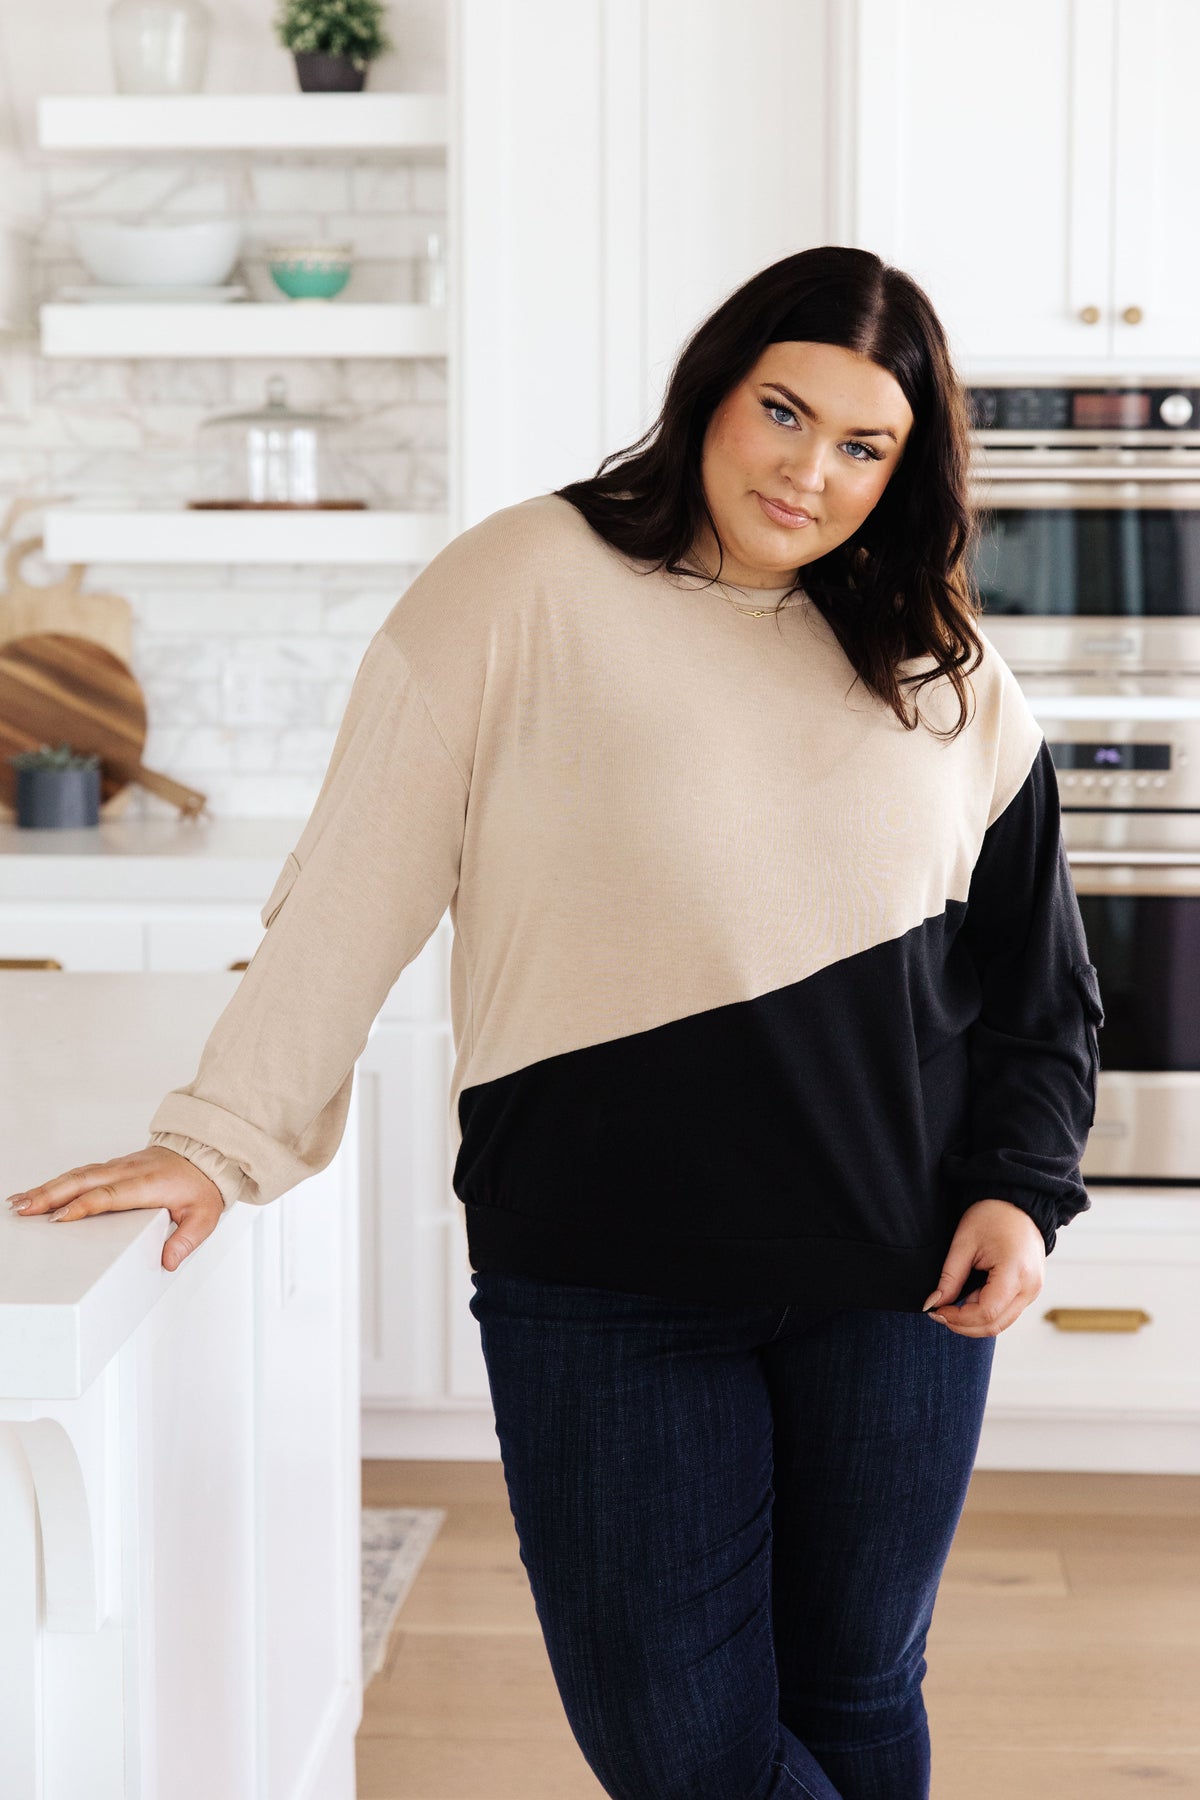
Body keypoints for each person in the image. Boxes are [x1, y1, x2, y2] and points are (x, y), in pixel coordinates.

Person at [6, 245, 1102, 1800]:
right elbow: (355, 884)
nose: (810, 472)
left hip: (894, 1284)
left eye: (865, 445)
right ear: (712, 390)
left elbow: (1043, 997)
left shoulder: (946, 669)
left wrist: (1021, 1190)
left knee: (857, 1694)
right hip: (603, 1279)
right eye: (784, 412)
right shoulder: (519, 584)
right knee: (684, 1749)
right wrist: (222, 1137)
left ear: (905, 472)